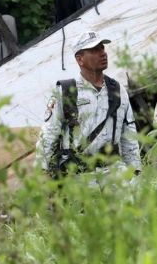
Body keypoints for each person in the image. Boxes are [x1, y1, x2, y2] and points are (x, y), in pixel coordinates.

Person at [35, 31, 142, 177]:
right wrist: (42, 175)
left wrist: (135, 170)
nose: (102, 53)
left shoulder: (118, 90)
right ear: (80, 59)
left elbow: (129, 133)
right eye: (94, 50)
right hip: (80, 178)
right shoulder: (66, 92)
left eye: (102, 48)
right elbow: (48, 134)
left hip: (116, 174)